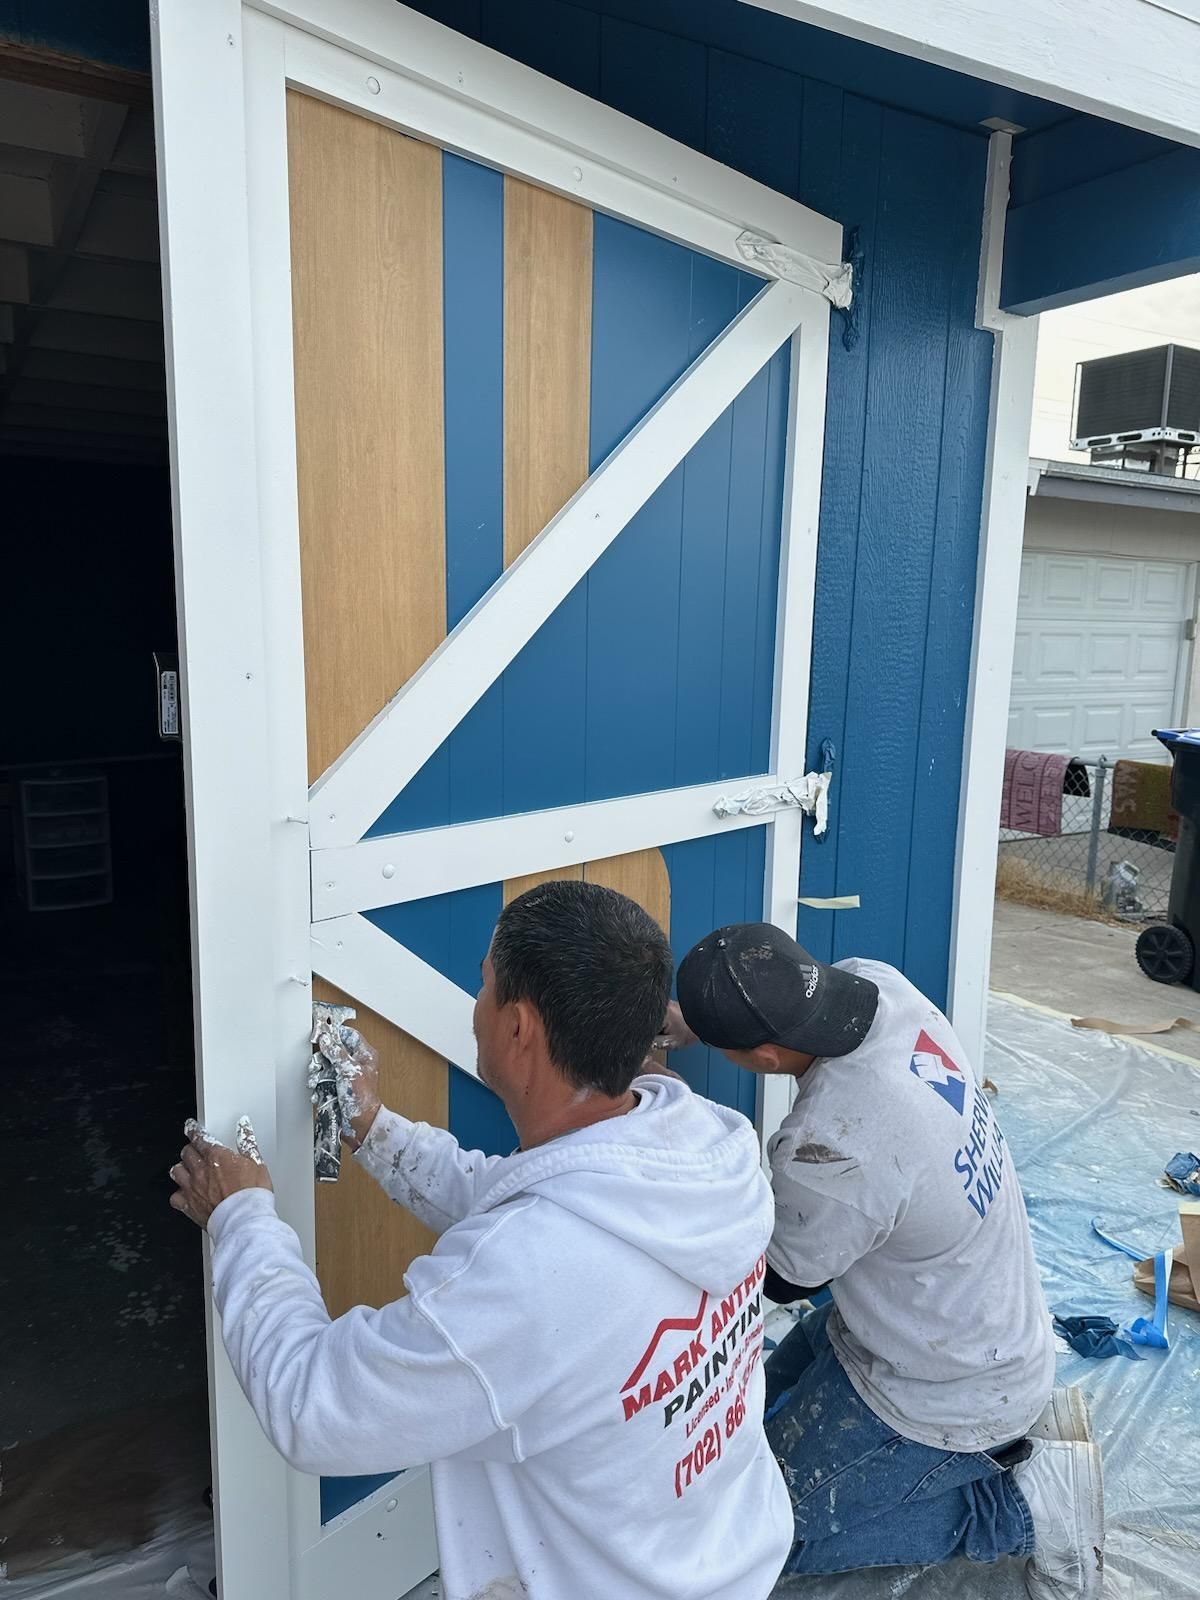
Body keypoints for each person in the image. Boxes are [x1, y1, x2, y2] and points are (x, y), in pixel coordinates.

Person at [169, 881, 792, 1600]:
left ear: (519, 1028)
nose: (475, 1004)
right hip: (729, 1555)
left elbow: (313, 1405)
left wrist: (242, 1217)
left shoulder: (529, 1278)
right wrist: (373, 1127)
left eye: (484, 985)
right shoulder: (708, 1149)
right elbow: (522, 1196)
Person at [658, 922, 1103, 1600]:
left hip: (945, 1391)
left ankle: (1018, 1510)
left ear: (765, 1055)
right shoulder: (877, 987)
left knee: (759, 1540)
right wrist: (706, 1020)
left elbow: (780, 1277)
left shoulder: (835, 1147)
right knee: (750, 1425)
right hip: (945, 1319)